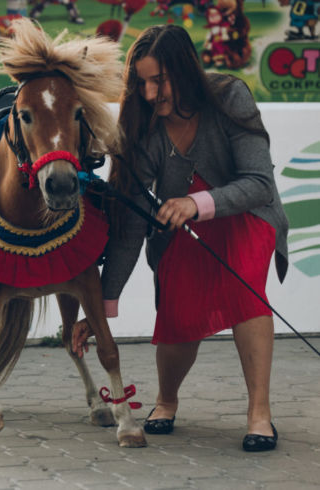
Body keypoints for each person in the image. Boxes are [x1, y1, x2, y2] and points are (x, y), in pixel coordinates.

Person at [72, 24, 288, 452]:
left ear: (185, 70)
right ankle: (166, 401)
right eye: (142, 83)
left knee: (247, 290)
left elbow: (260, 183)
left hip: (248, 215)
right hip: (183, 229)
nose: (150, 94)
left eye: (159, 80)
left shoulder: (229, 97)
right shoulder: (142, 126)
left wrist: (197, 202)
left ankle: (259, 415)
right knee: (176, 312)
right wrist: (102, 307)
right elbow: (131, 225)